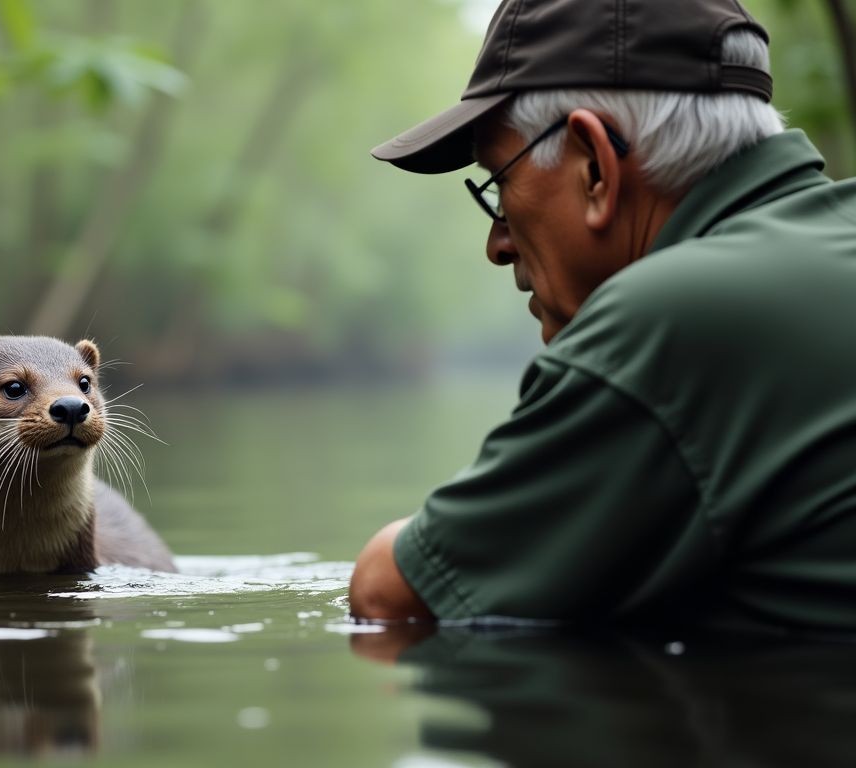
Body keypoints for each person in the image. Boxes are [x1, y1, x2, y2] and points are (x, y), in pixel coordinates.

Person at [348, 0, 856, 631]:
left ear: (594, 166)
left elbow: (390, 595)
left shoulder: (675, 316)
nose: (498, 243)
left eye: (499, 186)